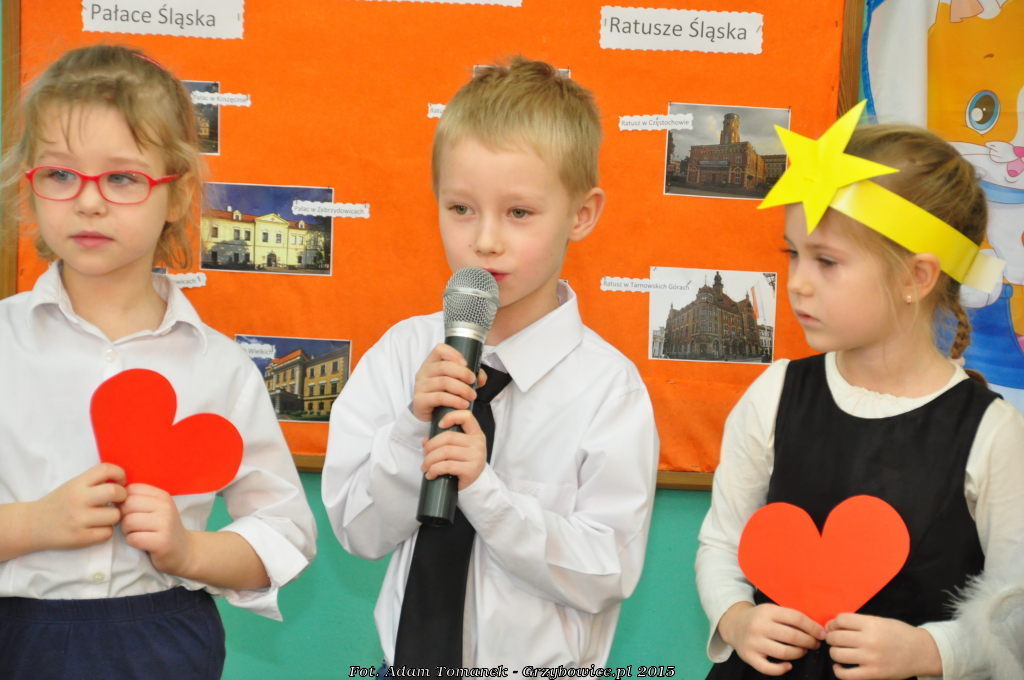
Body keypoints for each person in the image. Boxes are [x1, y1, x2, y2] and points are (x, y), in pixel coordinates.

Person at [322, 57, 659, 670]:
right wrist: (410, 431)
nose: (484, 241)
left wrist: (484, 492)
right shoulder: (402, 352)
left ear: (581, 214)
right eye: (461, 209)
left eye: (518, 213)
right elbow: (359, 532)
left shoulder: (609, 389)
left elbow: (605, 571)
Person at [0, 45, 316, 679]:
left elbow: (284, 534)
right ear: (29, 185)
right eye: (60, 174)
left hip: (163, 641)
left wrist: (188, 550)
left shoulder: (220, 367)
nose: (88, 202)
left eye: (122, 178)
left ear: (177, 196)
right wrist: (32, 523)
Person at [696, 104, 1024, 680]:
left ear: (916, 277)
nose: (798, 283)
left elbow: (1013, 609)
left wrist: (931, 651)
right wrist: (737, 618)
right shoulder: (775, 394)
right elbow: (722, 544)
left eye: (827, 261)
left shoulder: (992, 434)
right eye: (793, 254)